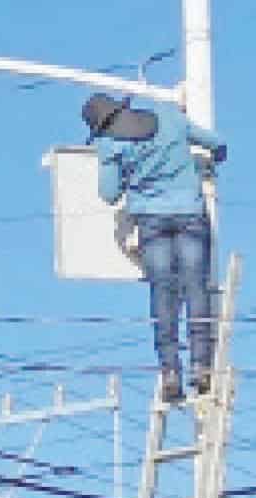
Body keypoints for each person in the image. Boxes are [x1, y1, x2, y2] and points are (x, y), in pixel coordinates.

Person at [81, 93, 227, 402]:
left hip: (151, 221)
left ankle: (170, 371)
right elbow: (213, 141)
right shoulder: (169, 117)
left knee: (163, 292)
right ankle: (201, 366)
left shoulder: (111, 144)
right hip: (190, 212)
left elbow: (108, 194)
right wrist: (216, 155)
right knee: (196, 287)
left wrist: (127, 176)